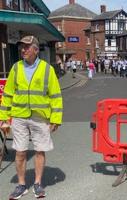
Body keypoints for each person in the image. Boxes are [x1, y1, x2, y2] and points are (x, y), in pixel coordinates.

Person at [0, 35, 63, 199]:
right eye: (22, 47)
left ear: (36, 49)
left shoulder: (47, 69)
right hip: (19, 117)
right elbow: (8, 94)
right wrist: (4, 116)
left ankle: (37, 183)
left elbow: (55, 96)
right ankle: (21, 185)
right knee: (20, 152)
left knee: (39, 151)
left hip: (40, 117)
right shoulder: (15, 68)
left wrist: (55, 118)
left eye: (27, 47)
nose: (23, 49)